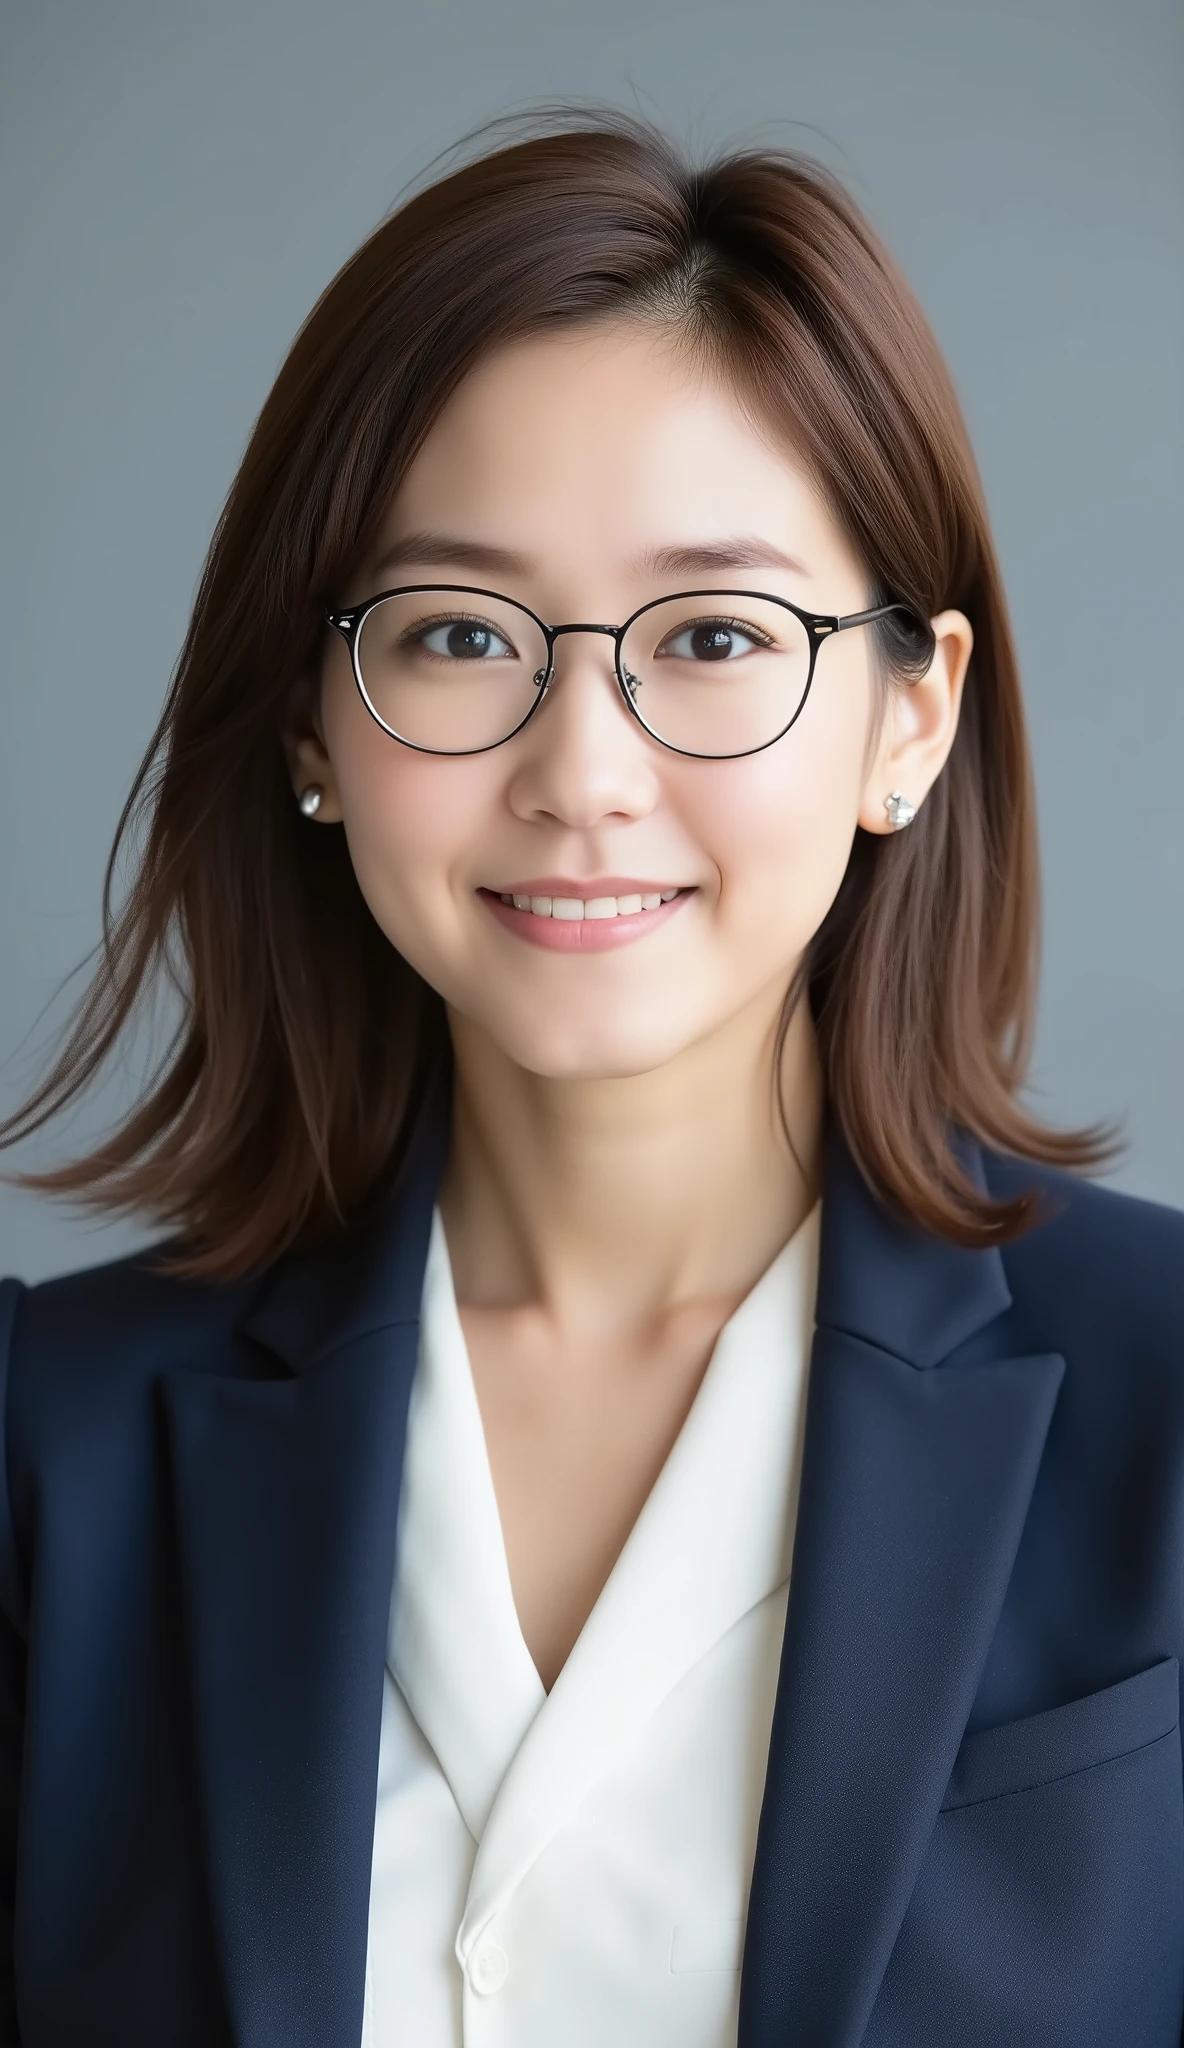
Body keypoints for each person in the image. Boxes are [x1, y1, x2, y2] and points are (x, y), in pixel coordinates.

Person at [0, 110, 1181, 2048]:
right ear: (311, 719)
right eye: (459, 634)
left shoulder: (1165, 1387)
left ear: (911, 717)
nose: (582, 769)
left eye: (713, 635)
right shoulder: (50, 1441)